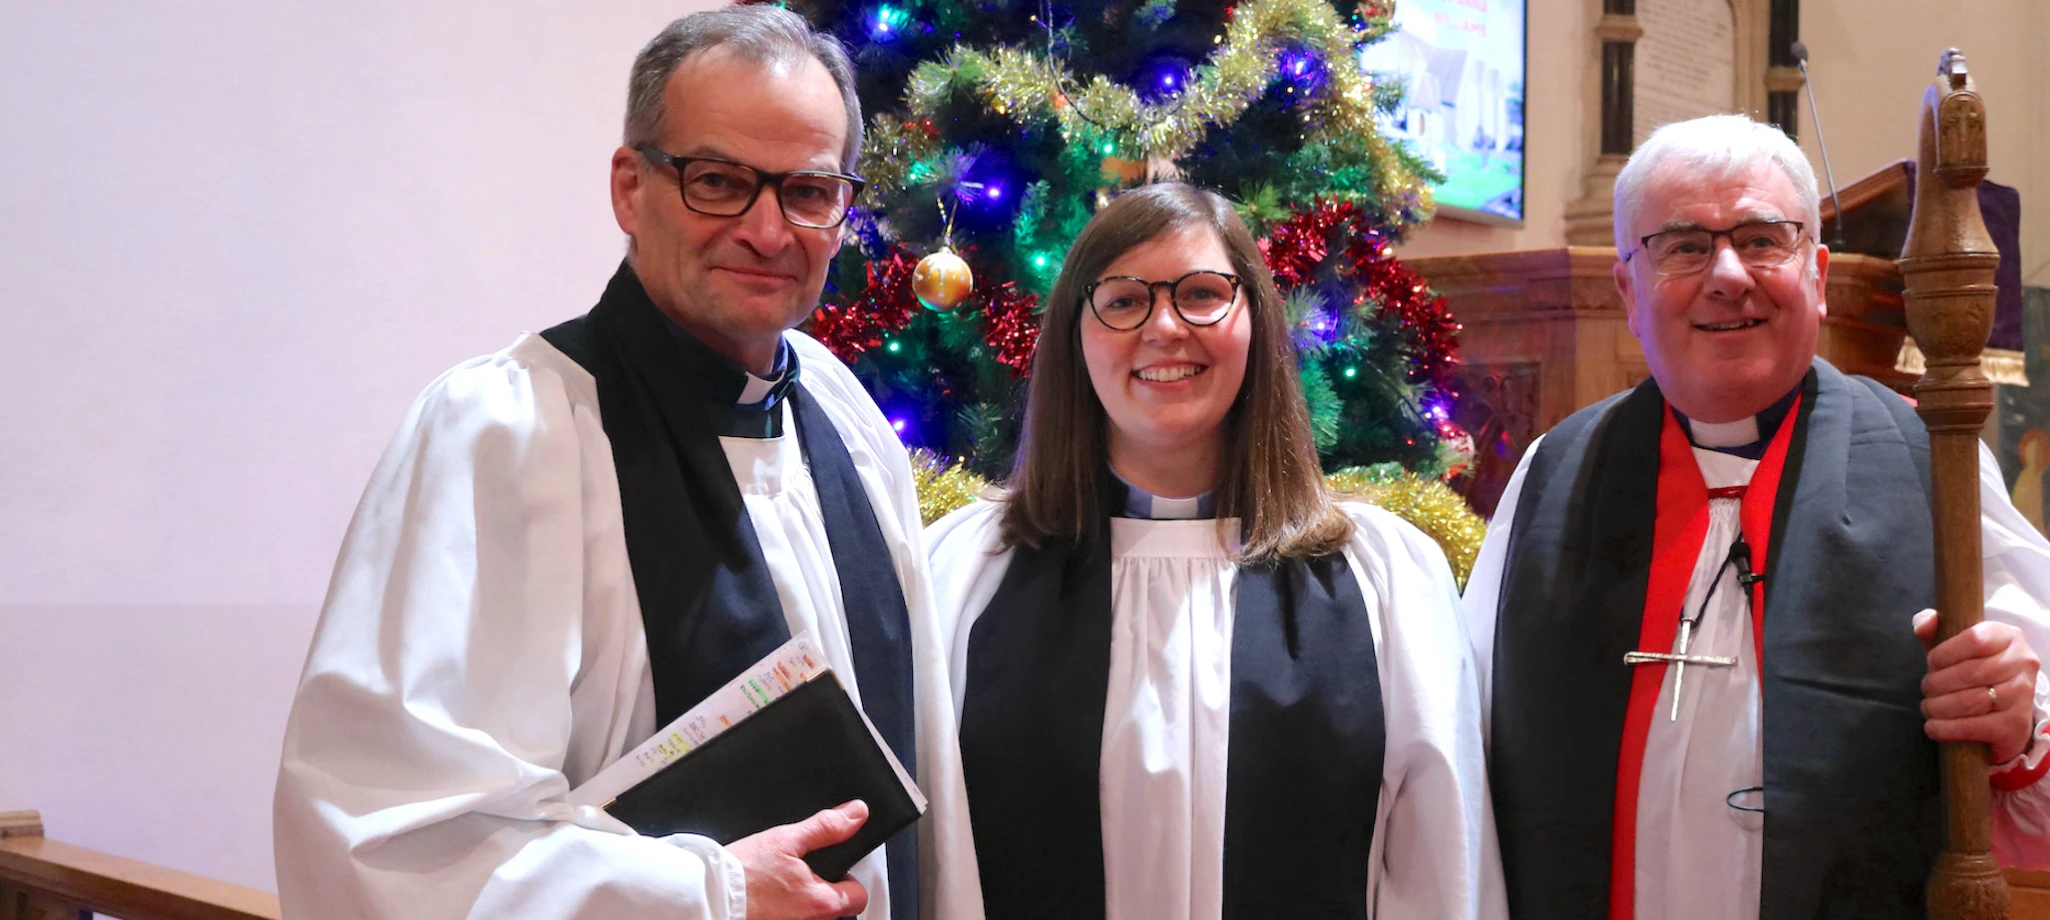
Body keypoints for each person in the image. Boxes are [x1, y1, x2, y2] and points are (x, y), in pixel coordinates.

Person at [272, 8, 978, 920]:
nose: (769, 231)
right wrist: (707, 895)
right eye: (719, 181)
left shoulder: (843, 419)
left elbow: (927, 793)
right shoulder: (506, 433)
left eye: (807, 191)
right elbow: (390, 840)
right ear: (629, 188)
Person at [1461, 114, 2050, 919]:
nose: (1727, 274)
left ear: (1818, 274)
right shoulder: (1557, 473)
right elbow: (1461, 764)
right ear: (1627, 289)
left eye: (1763, 239)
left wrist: (2019, 728)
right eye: (1682, 246)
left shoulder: (1927, 462)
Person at [925, 182, 1506, 919]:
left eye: (1202, 294)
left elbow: (1442, 871)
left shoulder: (1387, 579)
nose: (1164, 327)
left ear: (1255, 323)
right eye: (1124, 300)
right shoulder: (962, 574)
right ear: (1076, 335)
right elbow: (934, 869)